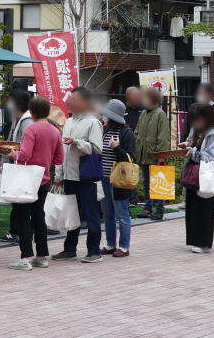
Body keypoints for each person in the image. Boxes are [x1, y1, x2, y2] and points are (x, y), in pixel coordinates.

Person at [7, 96, 64, 269]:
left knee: (23, 216)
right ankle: (42, 256)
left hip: (27, 179)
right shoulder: (55, 131)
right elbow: (59, 158)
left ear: (31, 112)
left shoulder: (31, 130)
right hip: (44, 178)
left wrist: (13, 154)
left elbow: (24, 155)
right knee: (39, 216)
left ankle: (26, 257)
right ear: (48, 112)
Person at [53, 87, 104, 263]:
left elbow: (97, 149)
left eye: (73, 99)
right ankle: (69, 249)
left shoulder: (93, 122)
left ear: (84, 102)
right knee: (71, 214)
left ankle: (94, 251)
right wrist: (59, 174)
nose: (68, 101)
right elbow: (62, 150)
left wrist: (77, 143)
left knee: (91, 215)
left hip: (86, 177)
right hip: (69, 176)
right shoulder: (68, 122)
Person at [181, 102, 214, 254]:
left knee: (204, 209)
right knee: (193, 208)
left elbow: (211, 157)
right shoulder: (198, 131)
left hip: (206, 176)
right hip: (195, 175)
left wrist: (192, 152)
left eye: (197, 119)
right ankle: (195, 240)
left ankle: (203, 243)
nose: (194, 122)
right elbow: (193, 146)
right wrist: (186, 145)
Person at [99, 98, 137, 258]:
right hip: (104, 178)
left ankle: (124, 246)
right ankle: (110, 244)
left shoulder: (126, 133)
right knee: (107, 213)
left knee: (122, 214)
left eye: (107, 114)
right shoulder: (105, 130)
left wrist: (117, 148)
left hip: (119, 181)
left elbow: (131, 159)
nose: (104, 117)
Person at [136, 88, 170, 220]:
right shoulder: (143, 113)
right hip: (144, 154)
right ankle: (148, 208)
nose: (143, 100)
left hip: (155, 155)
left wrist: (160, 154)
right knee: (146, 183)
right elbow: (137, 132)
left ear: (152, 99)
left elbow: (163, 136)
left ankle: (159, 210)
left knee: (158, 182)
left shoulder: (160, 114)